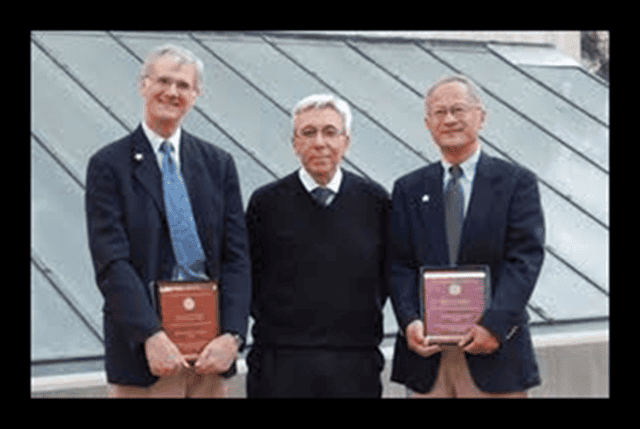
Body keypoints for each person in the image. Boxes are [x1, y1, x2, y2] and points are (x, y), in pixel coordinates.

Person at [85, 44, 251, 397]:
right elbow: (111, 262)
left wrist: (233, 336)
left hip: (209, 358)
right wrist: (150, 334)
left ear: (196, 94)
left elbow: (237, 258)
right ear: (143, 84)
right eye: (163, 80)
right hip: (146, 358)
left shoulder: (219, 164)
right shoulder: (108, 165)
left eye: (183, 85)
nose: (172, 92)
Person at [389, 75, 545, 397]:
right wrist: (409, 322)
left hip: (494, 353)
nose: (449, 119)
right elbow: (398, 264)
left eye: (458, 109)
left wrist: (494, 325)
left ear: (481, 117)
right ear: (428, 123)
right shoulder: (408, 189)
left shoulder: (516, 182)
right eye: (439, 112)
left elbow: (525, 259)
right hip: (428, 359)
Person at [245, 94, 390, 397]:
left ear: (346, 141)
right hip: (279, 365)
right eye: (308, 133)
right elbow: (248, 277)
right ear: (294, 143)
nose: (320, 142)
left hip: (355, 364)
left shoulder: (375, 201)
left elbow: (388, 275)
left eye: (330, 132)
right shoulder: (265, 203)